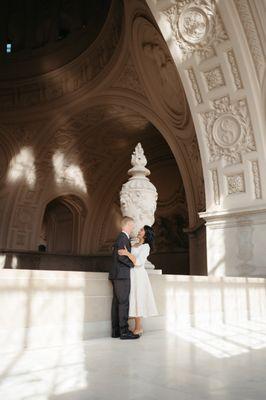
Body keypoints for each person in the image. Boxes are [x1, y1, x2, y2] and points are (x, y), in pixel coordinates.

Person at [118, 225, 158, 335]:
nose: (139, 231)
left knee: (138, 298)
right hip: (130, 273)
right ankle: (134, 326)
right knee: (132, 299)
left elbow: (138, 262)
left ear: (146, 234)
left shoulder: (146, 247)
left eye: (142, 230)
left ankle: (138, 327)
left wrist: (127, 253)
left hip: (139, 276)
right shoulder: (133, 244)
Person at [109, 216, 140, 340]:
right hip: (121, 275)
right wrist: (133, 264)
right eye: (132, 225)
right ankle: (124, 331)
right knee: (123, 303)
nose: (132, 228)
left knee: (117, 303)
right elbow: (121, 257)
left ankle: (116, 331)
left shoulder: (121, 238)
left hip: (117, 275)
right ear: (126, 225)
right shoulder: (123, 238)